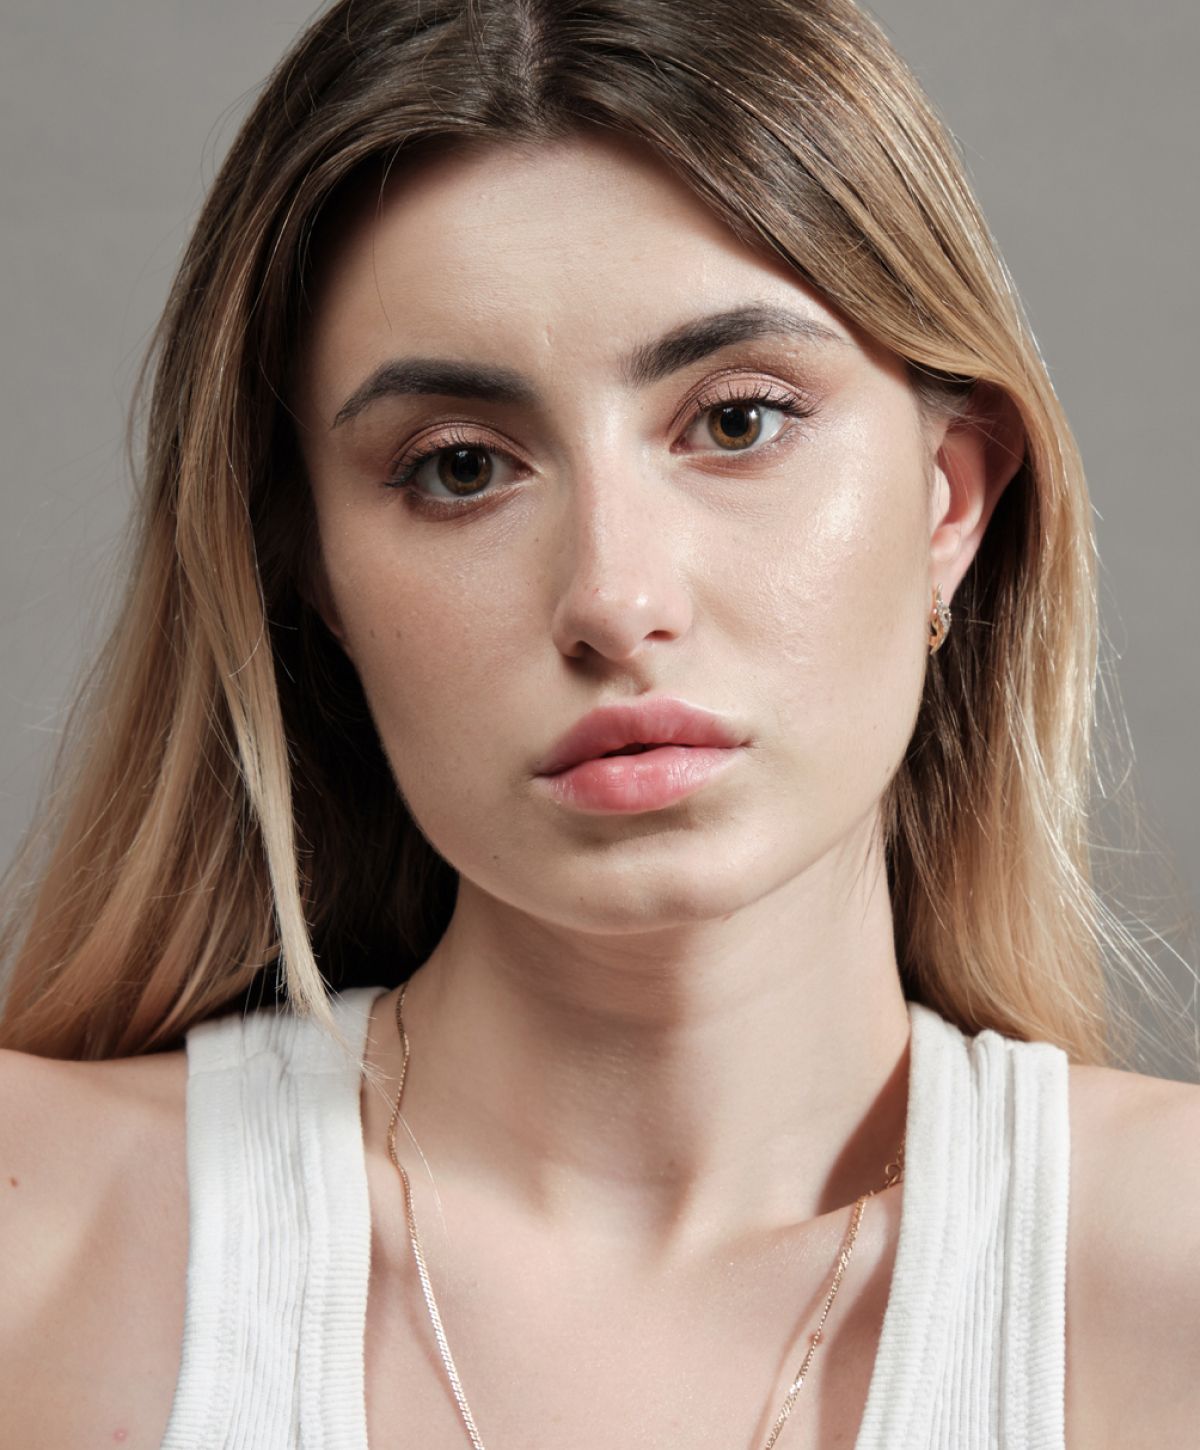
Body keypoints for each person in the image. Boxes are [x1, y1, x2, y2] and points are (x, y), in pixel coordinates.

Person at [0, 0, 1197, 1445]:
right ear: (307, 570)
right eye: (459, 468)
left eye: (737, 420)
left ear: (949, 499)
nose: (615, 599)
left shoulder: (1169, 1282)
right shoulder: (36, 1237)